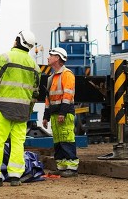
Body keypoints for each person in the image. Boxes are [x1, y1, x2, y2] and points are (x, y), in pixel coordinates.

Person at [0, 30, 41, 188]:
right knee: (18, 143)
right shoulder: (35, 66)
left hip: (3, 109)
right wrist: (28, 110)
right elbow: (35, 93)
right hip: (22, 111)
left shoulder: (5, 58)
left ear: (17, 41)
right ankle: (15, 177)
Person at [42, 47, 79, 177]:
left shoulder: (67, 74)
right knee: (58, 141)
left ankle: (72, 168)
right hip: (54, 114)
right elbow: (48, 99)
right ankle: (62, 167)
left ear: (57, 58)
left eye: (50, 55)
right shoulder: (52, 77)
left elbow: (68, 95)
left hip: (64, 113)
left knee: (67, 139)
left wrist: (63, 113)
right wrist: (46, 117)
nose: (48, 58)